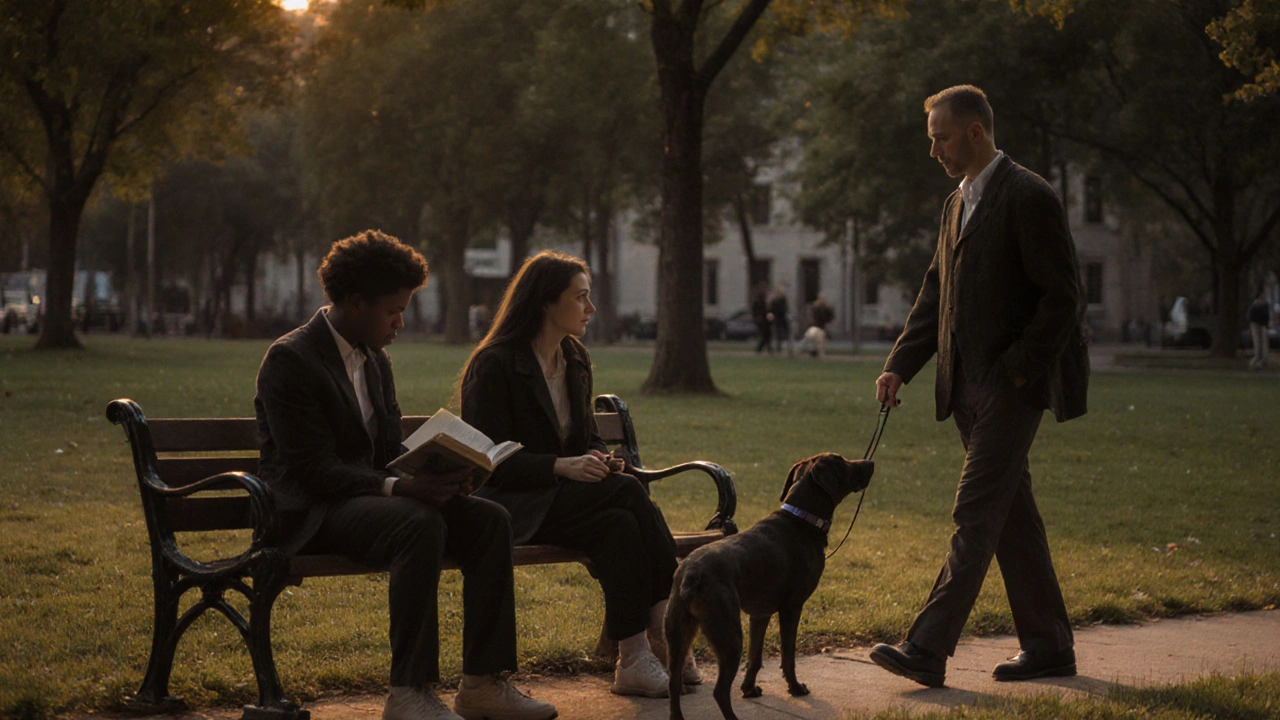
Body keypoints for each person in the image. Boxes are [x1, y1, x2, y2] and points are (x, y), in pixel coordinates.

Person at [254, 230, 555, 720]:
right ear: (355, 303)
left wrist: (446, 473)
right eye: (393, 310)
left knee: (488, 520)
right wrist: (400, 487)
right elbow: (309, 468)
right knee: (418, 522)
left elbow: (388, 450)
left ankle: (482, 683)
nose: (402, 321)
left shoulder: (375, 358)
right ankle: (408, 693)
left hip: (373, 501)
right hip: (310, 512)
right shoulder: (291, 359)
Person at [868, 85, 1090, 688]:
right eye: (931, 138)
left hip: (1011, 388)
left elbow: (1064, 297)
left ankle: (926, 647)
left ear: (975, 132)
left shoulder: (1029, 195)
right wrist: (899, 366)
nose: (934, 150)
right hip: (962, 387)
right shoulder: (954, 203)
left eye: (941, 137)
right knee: (1010, 514)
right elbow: (935, 294)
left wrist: (1020, 368)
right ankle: (1049, 647)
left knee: (974, 511)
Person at [457, 250, 699, 699]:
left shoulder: (574, 357)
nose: (591, 309)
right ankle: (667, 628)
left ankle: (633, 658)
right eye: (581, 298)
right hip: (514, 503)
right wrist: (559, 465)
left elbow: (588, 436)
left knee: (620, 524)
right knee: (626, 496)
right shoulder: (495, 364)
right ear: (547, 302)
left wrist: (598, 457)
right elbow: (485, 458)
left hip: (571, 500)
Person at [1248, 290, 1270, 370]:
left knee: (1264, 343)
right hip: (1256, 324)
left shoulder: (1266, 305)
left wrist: (1266, 325)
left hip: (1263, 325)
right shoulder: (1255, 305)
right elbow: (1252, 317)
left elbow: (1266, 316)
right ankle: (1255, 361)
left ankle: (1263, 360)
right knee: (1257, 343)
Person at [769, 284, 792, 356]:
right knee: (778, 334)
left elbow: (786, 309)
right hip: (778, 318)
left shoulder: (783, 299)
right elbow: (772, 309)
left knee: (787, 333)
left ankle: (789, 349)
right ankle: (779, 349)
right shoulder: (775, 300)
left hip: (783, 318)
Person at [751, 281, 773, 354]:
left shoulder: (761, 300)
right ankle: (762, 349)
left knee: (766, 335)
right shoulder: (760, 300)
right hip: (762, 320)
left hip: (764, 319)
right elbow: (760, 310)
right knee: (765, 335)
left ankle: (763, 349)